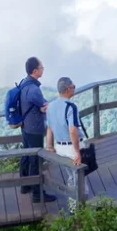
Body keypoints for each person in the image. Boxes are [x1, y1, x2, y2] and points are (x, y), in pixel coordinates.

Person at [44, 77, 94, 209]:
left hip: (60, 147)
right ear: (67, 89)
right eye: (73, 86)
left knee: (71, 176)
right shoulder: (71, 107)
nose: (74, 87)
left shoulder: (50, 106)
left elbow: (49, 128)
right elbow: (73, 130)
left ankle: (73, 207)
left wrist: (49, 146)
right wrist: (77, 152)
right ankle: (82, 209)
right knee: (80, 178)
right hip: (72, 148)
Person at [18, 57, 56, 202]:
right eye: (41, 68)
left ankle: (24, 185)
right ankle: (37, 194)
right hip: (34, 128)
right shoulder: (33, 89)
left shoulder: (24, 83)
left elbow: (39, 105)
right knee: (35, 159)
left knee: (26, 155)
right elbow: (44, 105)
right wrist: (44, 107)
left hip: (25, 126)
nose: (43, 69)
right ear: (35, 71)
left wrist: (41, 107)